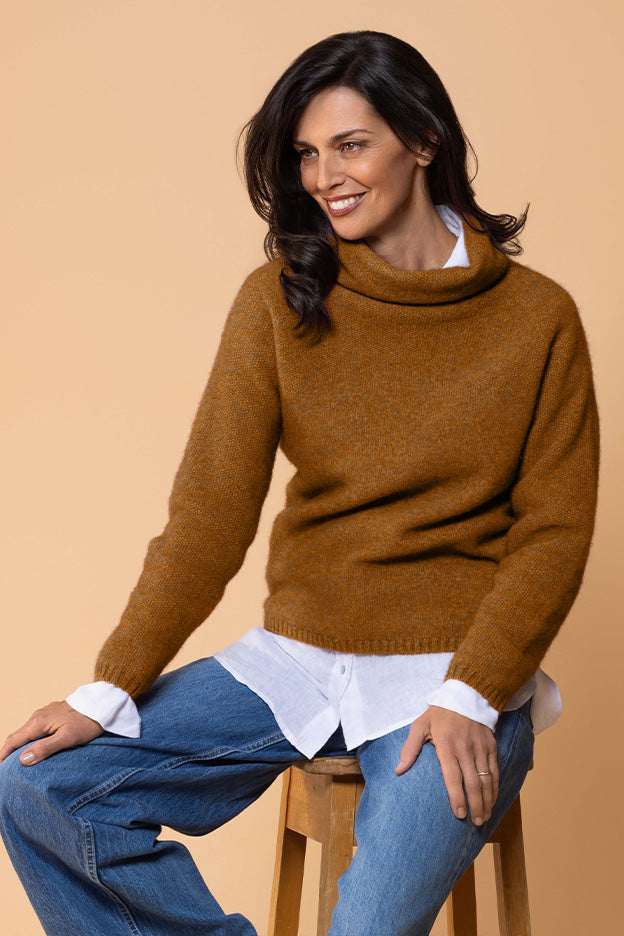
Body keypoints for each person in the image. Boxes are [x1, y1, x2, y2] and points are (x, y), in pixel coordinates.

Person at [0, 29, 599, 936]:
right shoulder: (279, 299)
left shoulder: (538, 318)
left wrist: (475, 691)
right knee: (36, 784)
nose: (325, 176)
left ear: (424, 139)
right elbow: (208, 516)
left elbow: (554, 531)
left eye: (350, 145)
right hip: (300, 661)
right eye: (307, 154)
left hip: (452, 675)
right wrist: (111, 685)